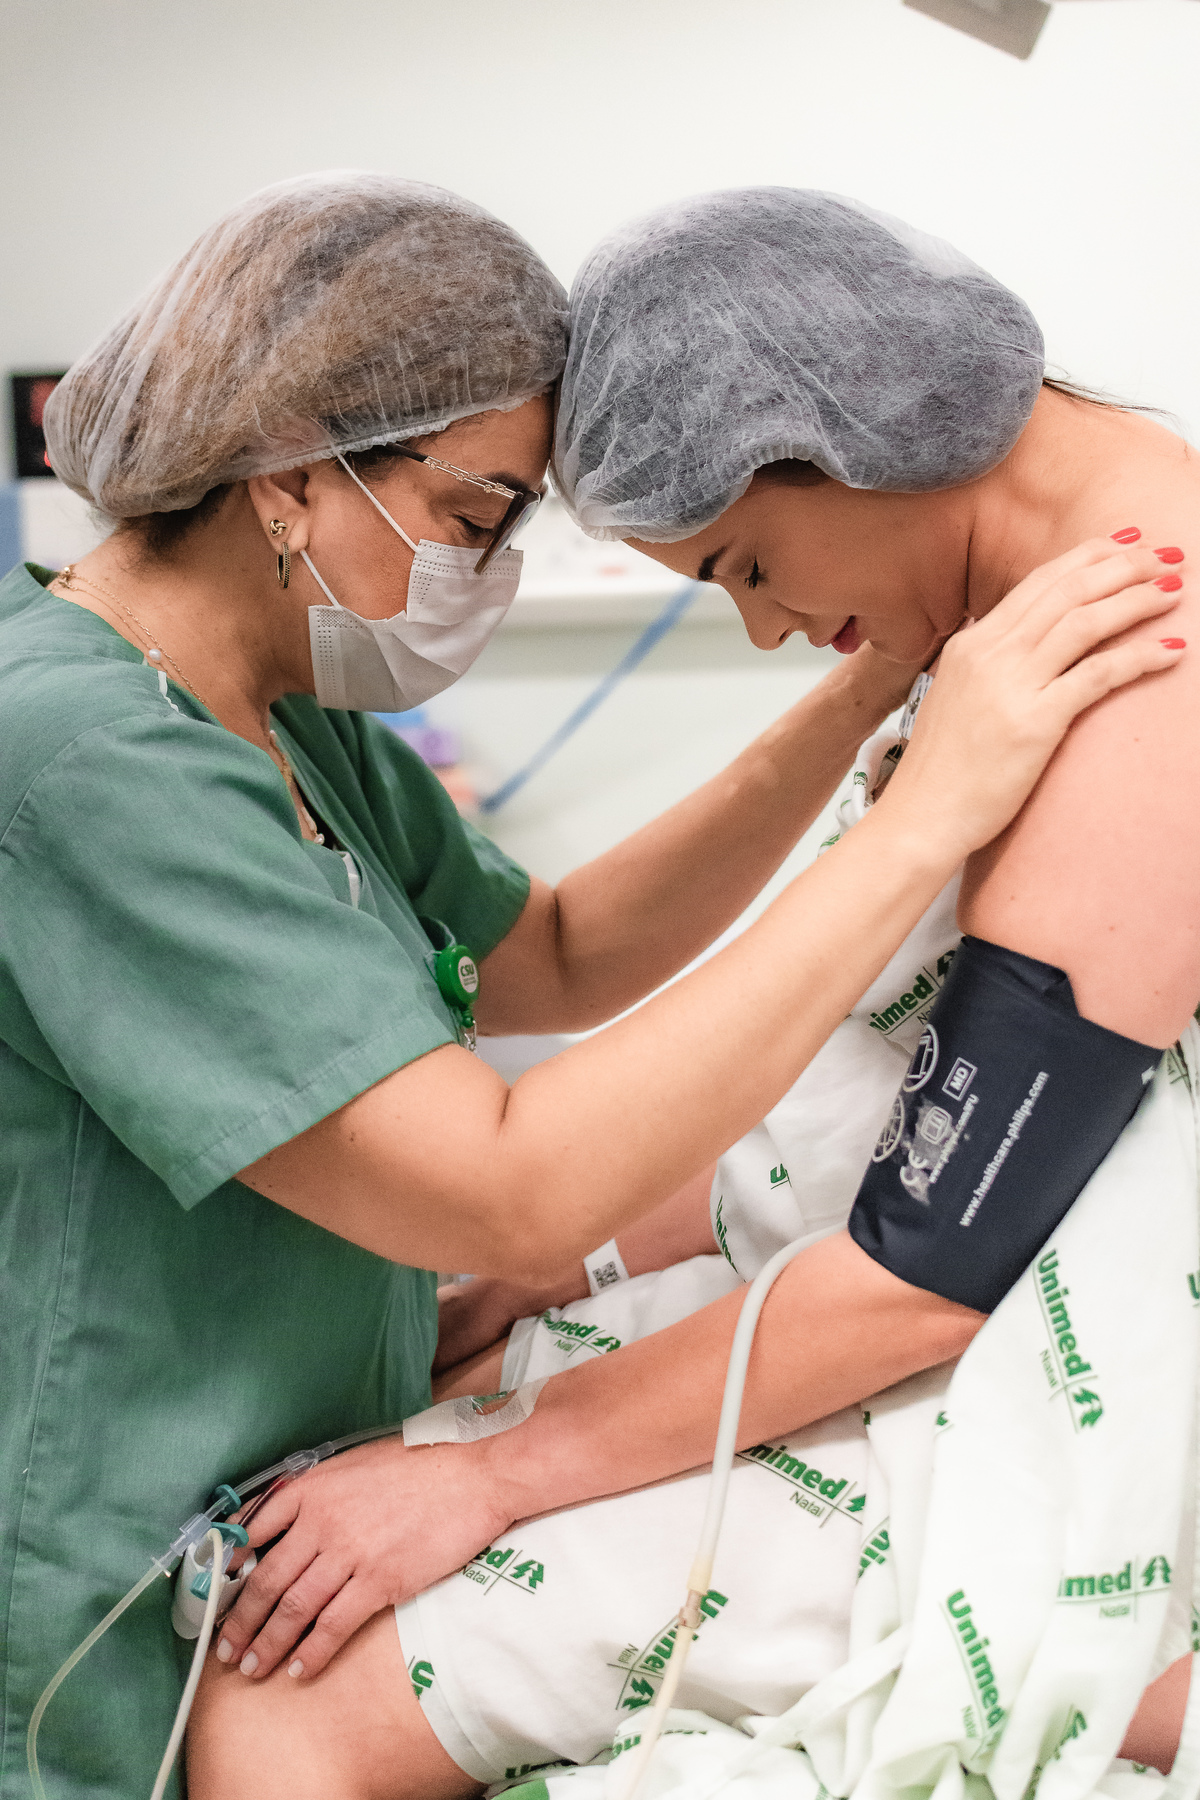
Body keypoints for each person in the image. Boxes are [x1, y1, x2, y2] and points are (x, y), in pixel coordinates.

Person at [0, 172, 1147, 1800]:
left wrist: (881, 677)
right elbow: (508, 1188)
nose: (488, 569)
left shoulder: (275, 715)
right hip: (89, 1550)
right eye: (474, 518)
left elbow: (553, 954)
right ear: (289, 471)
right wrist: (921, 822)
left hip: (281, 1462)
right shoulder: (80, 764)